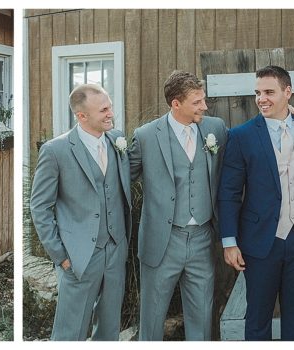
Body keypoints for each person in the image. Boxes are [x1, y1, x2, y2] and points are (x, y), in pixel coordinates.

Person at [218, 65, 294, 340]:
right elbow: (228, 192)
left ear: (288, 92)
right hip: (261, 241)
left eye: (269, 92)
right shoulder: (241, 136)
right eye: (258, 93)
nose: (262, 98)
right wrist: (229, 241)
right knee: (258, 318)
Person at [129, 71, 225, 340]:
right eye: (197, 102)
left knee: (202, 318)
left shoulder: (215, 129)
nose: (204, 107)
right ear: (176, 104)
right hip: (162, 240)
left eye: (203, 100)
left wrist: (286, 112)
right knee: (152, 318)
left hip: (202, 238)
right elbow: (119, 180)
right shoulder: (146, 135)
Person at [30, 84, 131, 340]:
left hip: (115, 251)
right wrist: (61, 256)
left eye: (110, 107)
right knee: (69, 332)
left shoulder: (117, 140)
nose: (111, 113)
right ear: (82, 116)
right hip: (78, 257)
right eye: (104, 110)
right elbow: (40, 207)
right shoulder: (56, 151)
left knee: (109, 331)